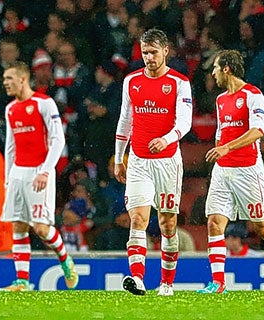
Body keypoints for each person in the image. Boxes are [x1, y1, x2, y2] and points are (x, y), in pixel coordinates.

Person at [197, 49, 264, 295]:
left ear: (227, 69)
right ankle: (218, 283)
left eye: (216, 68)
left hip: (247, 170)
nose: (213, 73)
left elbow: (257, 131)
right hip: (223, 171)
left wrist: (226, 147)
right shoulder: (220, 100)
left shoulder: (253, 95)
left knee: (262, 227)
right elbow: (222, 133)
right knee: (214, 222)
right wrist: (220, 151)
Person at [114, 28, 193, 296]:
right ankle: (137, 278)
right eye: (145, 52)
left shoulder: (179, 82)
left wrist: (167, 138)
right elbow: (126, 119)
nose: (149, 57)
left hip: (168, 161)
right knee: (138, 218)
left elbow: (185, 121)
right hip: (138, 160)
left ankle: (167, 283)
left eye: (153, 52)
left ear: (166, 51)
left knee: (167, 224)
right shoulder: (131, 81)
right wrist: (118, 155)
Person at [0, 61, 78, 292]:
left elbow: (58, 140)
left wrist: (45, 170)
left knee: (41, 229)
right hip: (18, 174)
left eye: (9, 79)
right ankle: (22, 281)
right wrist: (7, 179)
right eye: (4, 79)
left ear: (23, 79)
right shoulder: (11, 108)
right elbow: (10, 147)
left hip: (39, 172)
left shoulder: (44, 103)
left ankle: (65, 260)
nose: (5, 83)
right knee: (19, 226)